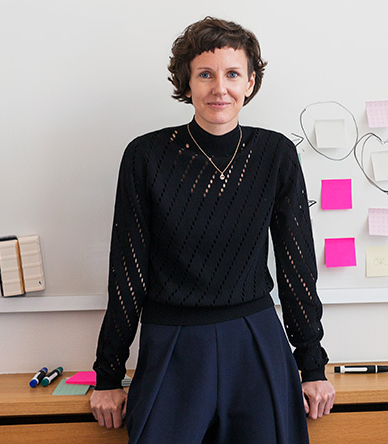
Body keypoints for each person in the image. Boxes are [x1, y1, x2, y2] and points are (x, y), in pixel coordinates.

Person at [89, 16, 335, 444]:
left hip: (255, 340)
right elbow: (126, 273)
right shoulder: (145, 156)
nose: (219, 87)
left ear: (250, 83)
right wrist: (107, 374)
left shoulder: (276, 154)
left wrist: (312, 367)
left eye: (232, 74)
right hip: (173, 344)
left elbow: (298, 266)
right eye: (205, 74)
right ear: (187, 84)